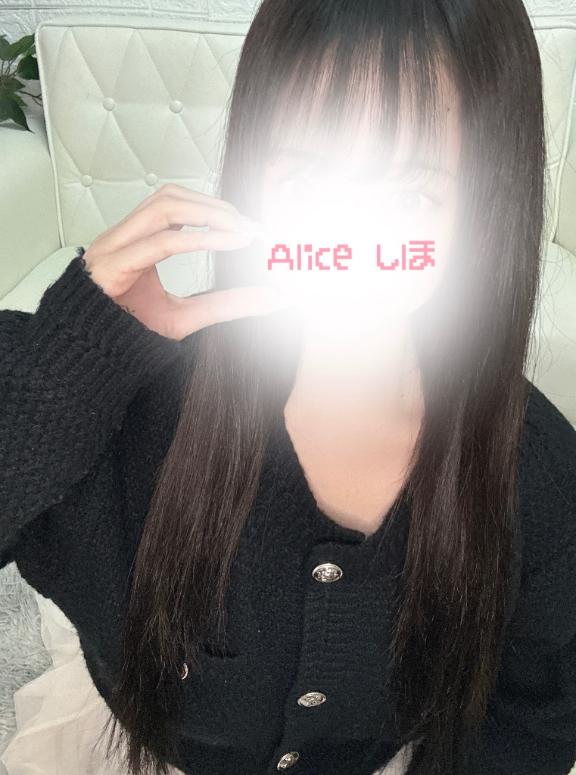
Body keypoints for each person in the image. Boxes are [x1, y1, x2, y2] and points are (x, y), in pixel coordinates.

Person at [1, 2, 576, 775]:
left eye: (409, 198)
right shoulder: (119, 406)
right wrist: (71, 357)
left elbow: (533, 718)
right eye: (309, 179)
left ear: (488, 210)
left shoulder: (537, 480)